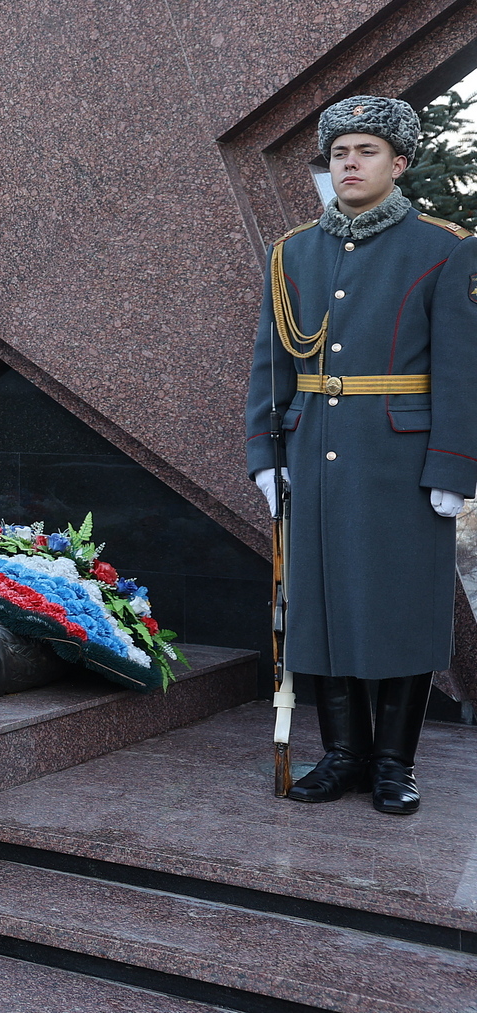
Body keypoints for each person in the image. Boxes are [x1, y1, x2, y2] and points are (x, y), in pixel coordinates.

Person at [246, 95, 477, 816]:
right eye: (340, 152)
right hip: (314, 452)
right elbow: (271, 362)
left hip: (401, 459)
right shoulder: (294, 252)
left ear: (398, 162)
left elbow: (462, 368)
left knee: (400, 609)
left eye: (366, 151)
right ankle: (343, 754)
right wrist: (264, 452)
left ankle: (393, 763)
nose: (350, 163)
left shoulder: (443, 246)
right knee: (322, 607)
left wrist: (453, 465)